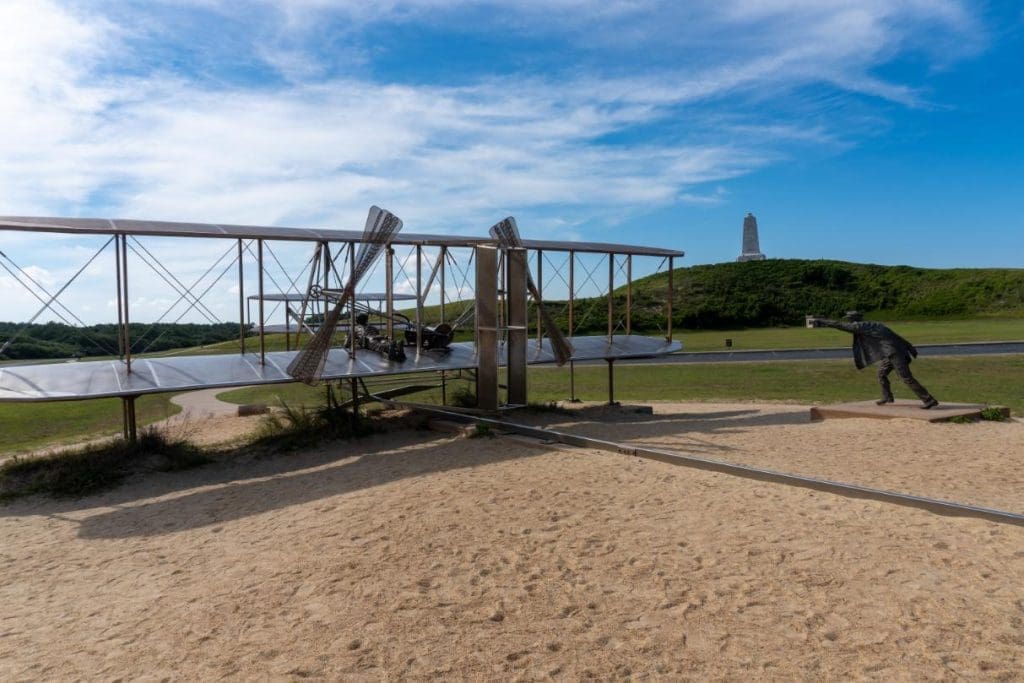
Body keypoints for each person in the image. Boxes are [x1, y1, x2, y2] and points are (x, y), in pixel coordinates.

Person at [809, 311, 939, 409]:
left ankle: (928, 400)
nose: (848, 322)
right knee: (881, 373)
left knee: (906, 378)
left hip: (893, 353)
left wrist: (822, 321)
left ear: (853, 319)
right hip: (893, 351)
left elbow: (839, 325)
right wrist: (909, 346)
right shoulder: (874, 324)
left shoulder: (859, 326)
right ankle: (887, 397)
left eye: (849, 320)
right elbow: (894, 335)